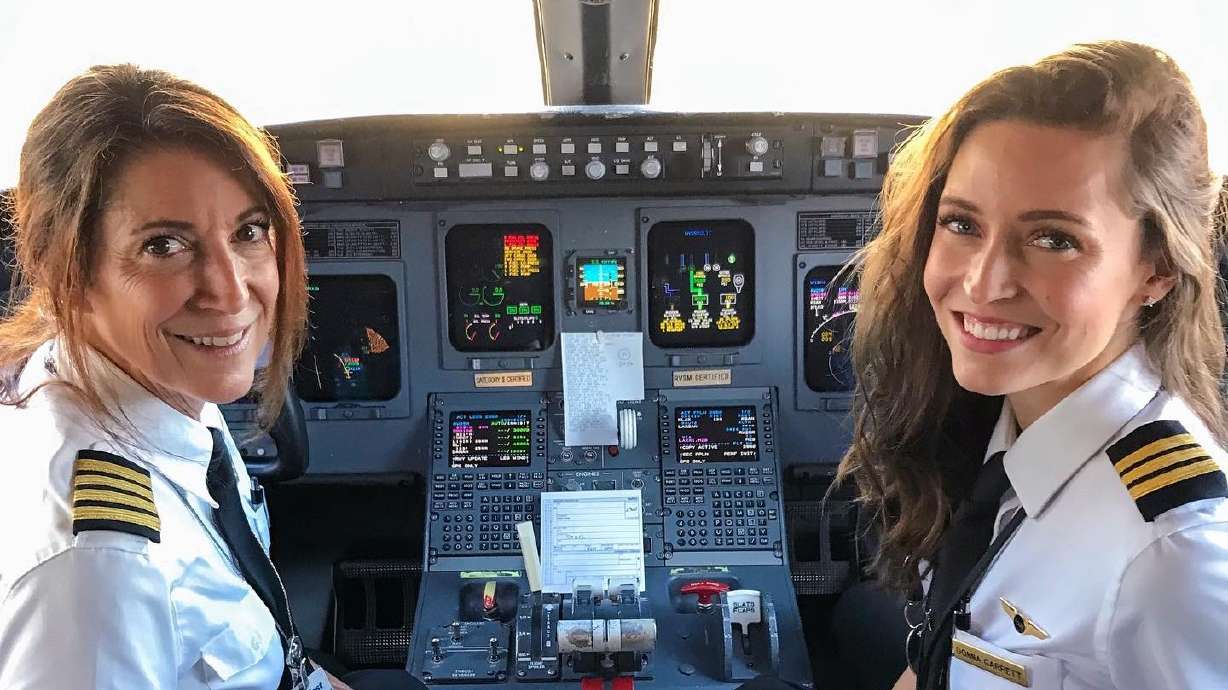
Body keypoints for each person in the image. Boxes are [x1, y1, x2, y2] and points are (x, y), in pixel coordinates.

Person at [0, 64, 416, 690]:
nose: (229, 292)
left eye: (248, 232)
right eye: (165, 245)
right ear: (69, 269)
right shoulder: (100, 567)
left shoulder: (150, 381)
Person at [838, 41, 1228, 689]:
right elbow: (947, 647)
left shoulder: (1173, 561)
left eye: (1054, 240)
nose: (984, 284)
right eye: (962, 224)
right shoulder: (1005, 421)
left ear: (1155, 270)